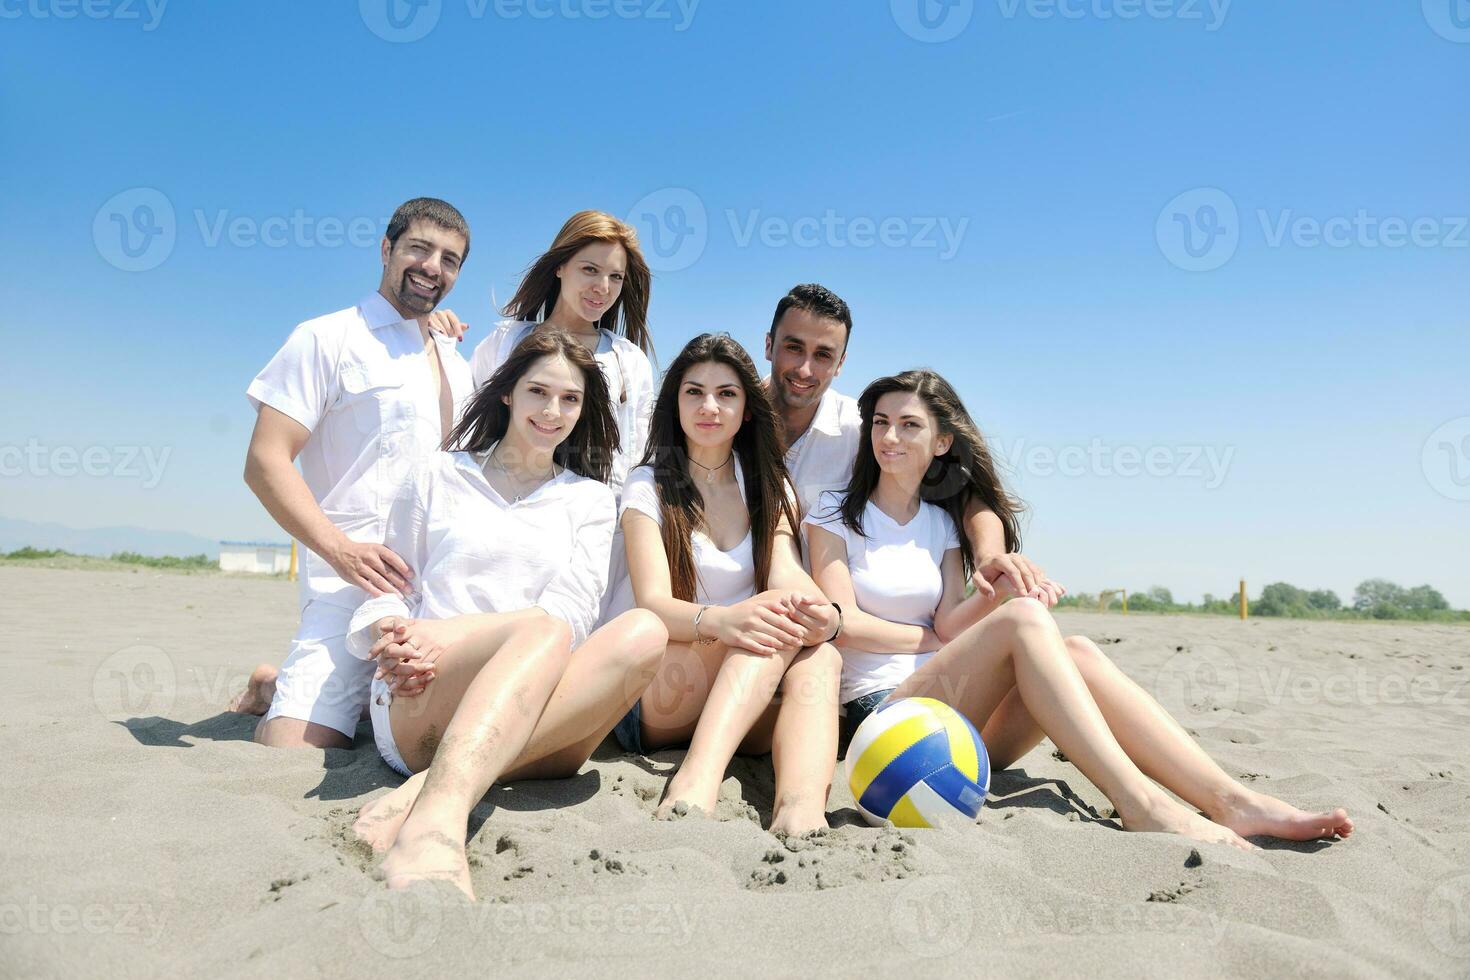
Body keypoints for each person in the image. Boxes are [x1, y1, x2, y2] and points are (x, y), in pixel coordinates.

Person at [805, 370, 1355, 847]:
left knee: (1080, 652)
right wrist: (929, 639)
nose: (889, 436)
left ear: (943, 442)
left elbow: (950, 622)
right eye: (880, 422)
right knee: (1024, 625)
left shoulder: (942, 524)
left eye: (908, 425)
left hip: (956, 732)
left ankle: (1232, 801)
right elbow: (842, 623)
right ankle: (1140, 802)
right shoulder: (834, 513)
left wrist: (996, 589)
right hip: (883, 724)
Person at [346, 329, 667, 898]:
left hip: (533, 708)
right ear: (506, 394)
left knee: (643, 631)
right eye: (538, 392)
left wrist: (446, 630)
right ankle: (436, 826)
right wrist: (392, 636)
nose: (553, 410)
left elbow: (568, 613)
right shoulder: (438, 476)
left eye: (570, 399)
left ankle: (431, 789)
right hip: (425, 687)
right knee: (543, 628)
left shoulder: (590, 501)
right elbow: (388, 589)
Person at [229, 198, 477, 750]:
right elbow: (265, 460)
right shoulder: (326, 338)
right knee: (295, 749)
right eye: (419, 248)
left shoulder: (458, 363)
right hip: (351, 589)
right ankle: (276, 691)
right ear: (387, 249)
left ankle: (290, 686)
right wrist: (341, 550)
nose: (434, 266)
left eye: (450, 259)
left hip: (439, 592)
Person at [612, 333, 843, 836]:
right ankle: (697, 779)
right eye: (694, 392)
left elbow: (786, 574)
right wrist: (726, 622)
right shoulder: (648, 484)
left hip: (744, 690)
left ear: (747, 409)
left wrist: (826, 614)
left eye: (727, 394)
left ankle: (800, 810)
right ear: (674, 402)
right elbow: (652, 603)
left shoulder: (768, 482)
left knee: (823, 653)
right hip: (663, 690)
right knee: (772, 624)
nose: (709, 406)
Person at [763, 282, 1063, 607]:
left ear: (840, 363)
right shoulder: (719, 420)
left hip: (817, 618)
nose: (805, 369)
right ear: (769, 345)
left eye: (823, 355)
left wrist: (989, 557)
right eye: (793, 347)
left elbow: (961, 490)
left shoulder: (865, 430)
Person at [429, 209, 656, 495]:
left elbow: (637, 457)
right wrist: (430, 331)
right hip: (504, 507)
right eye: (590, 270)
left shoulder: (628, 361)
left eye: (616, 277)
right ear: (559, 267)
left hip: (598, 524)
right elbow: (462, 415)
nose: (602, 287)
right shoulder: (507, 342)